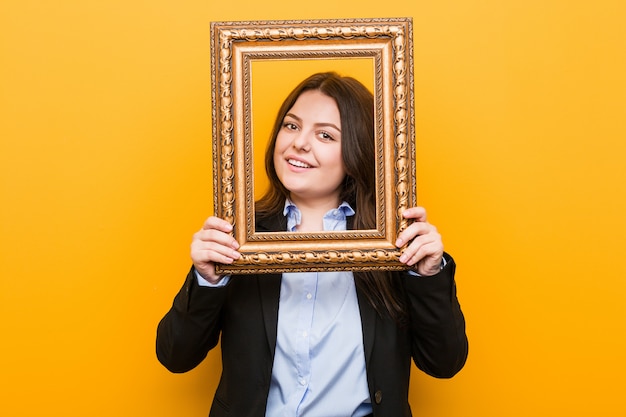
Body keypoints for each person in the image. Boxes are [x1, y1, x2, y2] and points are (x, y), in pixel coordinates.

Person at [156, 72, 468, 417]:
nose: (299, 143)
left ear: (356, 151)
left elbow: (445, 362)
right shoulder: (239, 236)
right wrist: (206, 279)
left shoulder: (392, 243)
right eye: (291, 126)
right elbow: (176, 356)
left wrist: (427, 275)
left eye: (325, 135)